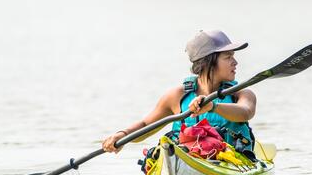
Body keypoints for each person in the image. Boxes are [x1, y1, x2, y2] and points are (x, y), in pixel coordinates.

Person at [102, 30, 257, 153]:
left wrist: (212, 106)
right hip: (191, 158)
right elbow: (146, 124)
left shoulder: (241, 94)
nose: (235, 62)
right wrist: (123, 135)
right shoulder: (177, 96)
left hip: (232, 160)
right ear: (208, 61)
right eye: (228, 57)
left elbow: (245, 112)